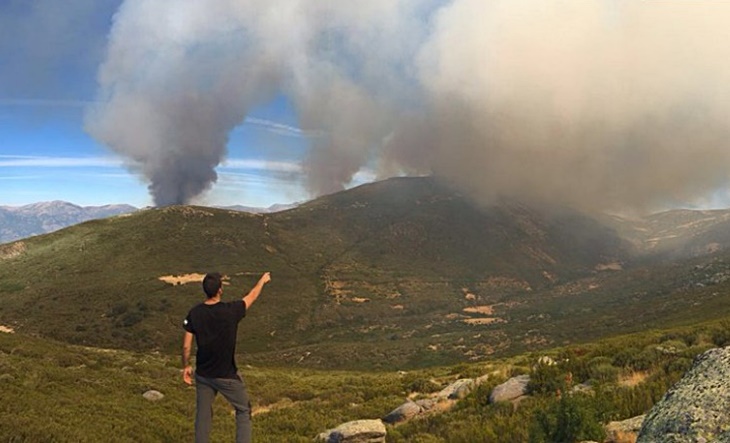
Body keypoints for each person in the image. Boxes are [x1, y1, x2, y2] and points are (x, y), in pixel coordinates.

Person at [182, 271, 271, 443]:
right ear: (220, 290)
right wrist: (262, 281)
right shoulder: (230, 311)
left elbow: (186, 345)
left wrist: (186, 366)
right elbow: (251, 296)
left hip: (203, 374)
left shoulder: (195, 313)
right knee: (244, 409)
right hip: (226, 374)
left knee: (203, 415)